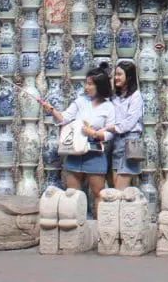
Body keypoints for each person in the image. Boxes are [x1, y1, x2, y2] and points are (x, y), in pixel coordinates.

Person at [43, 66, 116, 210]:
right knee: (73, 193)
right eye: (86, 83)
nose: (86, 87)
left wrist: (94, 134)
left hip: (95, 152)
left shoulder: (108, 106)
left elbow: (110, 132)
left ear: (100, 86)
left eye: (90, 84)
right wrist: (52, 110)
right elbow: (64, 118)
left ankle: (100, 221)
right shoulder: (80, 101)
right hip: (75, 150)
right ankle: (76, 221)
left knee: (98, 192)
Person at [109, 60, 145, 189]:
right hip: (116, 141)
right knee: (115, 186)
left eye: (119, 74)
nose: (116, 77)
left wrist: (113, 127)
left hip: (130, 141)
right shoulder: (115, 96)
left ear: (129, 77)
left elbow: (130, 121)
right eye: (116, 74)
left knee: (120, 189)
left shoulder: (136, 96)